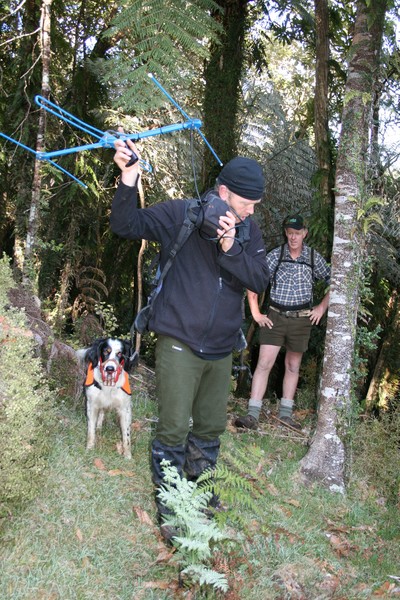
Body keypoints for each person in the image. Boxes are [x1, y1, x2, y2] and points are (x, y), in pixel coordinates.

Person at [110, 137, 270, 539]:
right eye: (246, 202)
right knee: (174, 428)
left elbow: (260, 278)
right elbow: (126, 225)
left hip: (220, 347)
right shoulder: (182, 213)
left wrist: (232, 246)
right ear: (223, 192)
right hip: (179, 340)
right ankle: (170, 500)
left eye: (255, 205)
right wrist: (128, 178)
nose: (252, 211)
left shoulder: (250, 232)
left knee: (211, 428)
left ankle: (200, 491)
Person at [235, 214, 330, 431]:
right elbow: (254, 280)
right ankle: (252, 415)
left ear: (304, 233)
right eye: (289, 233)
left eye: (297, 233)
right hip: (275, 317)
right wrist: (256, 313)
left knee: (293, 365)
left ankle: (285, 416)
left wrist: (321, 307)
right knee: (264, 363)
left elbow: (334, 281)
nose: (293, 237)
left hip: (301, 319)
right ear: (285, 233)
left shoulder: (313, 258)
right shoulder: (275, 256)